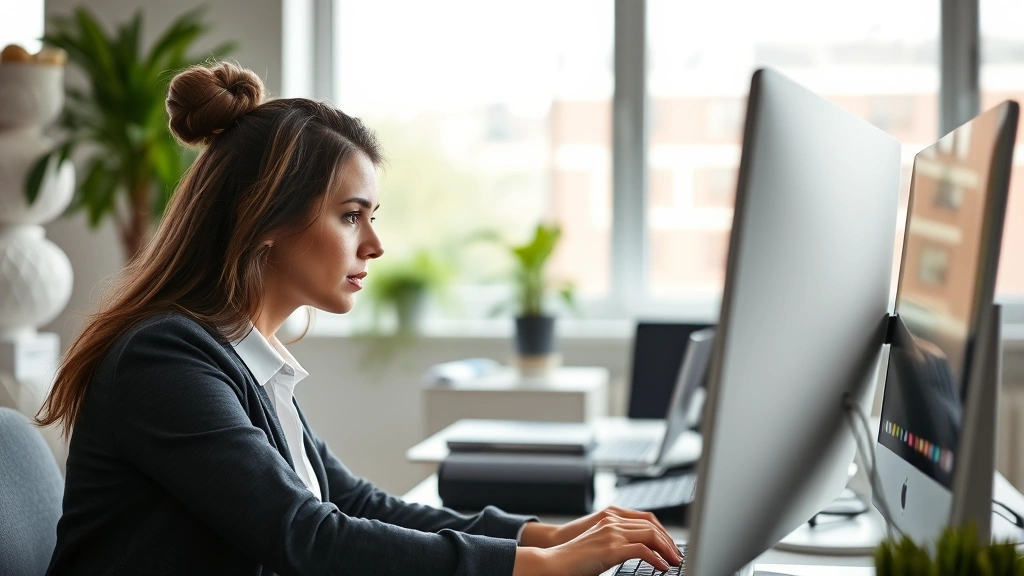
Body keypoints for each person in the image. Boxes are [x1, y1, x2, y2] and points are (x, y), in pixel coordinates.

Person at [35, 61, 684, 576]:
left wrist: (545, 535)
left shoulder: (242, 358)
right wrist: (535, 567)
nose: (373, 245)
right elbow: (306, 538)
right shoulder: (165, 360)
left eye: (372, 217)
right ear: (263, 219)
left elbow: (351, 503)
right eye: (351, 215)